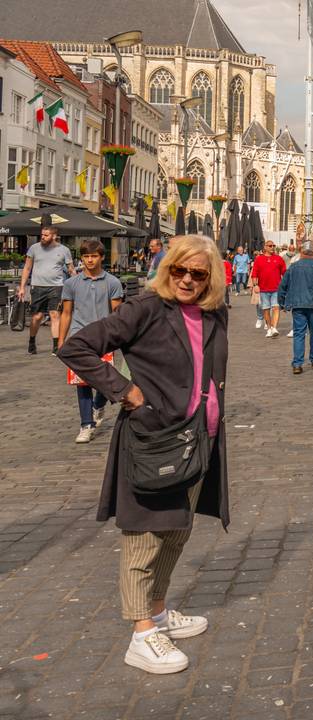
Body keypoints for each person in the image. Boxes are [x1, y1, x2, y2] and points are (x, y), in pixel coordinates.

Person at [58, 235, 229, 675]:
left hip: (198, 440)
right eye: (179, 270)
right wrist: (126, 391)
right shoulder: (146, 307)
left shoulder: (214, 313)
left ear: (211, 279)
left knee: (176, 531)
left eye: (198, 274)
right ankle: (140, 634)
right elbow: (76, 347)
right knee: (144, 537)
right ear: (167, 268)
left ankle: (157, 611)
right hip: (154, 438)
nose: (187, 280)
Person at [58, 239, 124, 443]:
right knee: (82, 383)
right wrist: (61, 342)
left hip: (104, 337)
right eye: (86, 256)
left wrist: (120, 337)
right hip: (78, 337)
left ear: (102, 258)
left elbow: (117, 313)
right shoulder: (71, 283)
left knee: (106, 380)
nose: (89, 260)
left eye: (94, 256)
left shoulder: (112, 282)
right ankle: (86, 424)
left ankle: (98, 405)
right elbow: (66, 313)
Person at [18, 218, 75, 355]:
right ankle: (32, 341)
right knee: (37, 317)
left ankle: (56, 347)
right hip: (37, 287)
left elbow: (71, 269)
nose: (42, 237)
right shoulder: (34, 248)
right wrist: (22, 287)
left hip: (56, 287)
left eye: (46, 235)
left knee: (55, 315)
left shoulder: (64, 250)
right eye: (42, 235)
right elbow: (27, 268)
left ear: (54, 236)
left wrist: (78, 283)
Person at [278, 243, 313, 374]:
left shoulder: (293, 267)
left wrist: (282, 302)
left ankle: (297, 363)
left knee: (299, 334)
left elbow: (283, 285)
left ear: (301, 252)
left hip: (298, 305)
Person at [250, 241, 288, 337]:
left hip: (276, 288)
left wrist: (288, 283)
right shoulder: (259, 259)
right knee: (266, 309)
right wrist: (255, 285)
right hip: (263, 289)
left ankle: (274, 328)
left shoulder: (278, 259)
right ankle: (269, 327)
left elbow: (284, 272)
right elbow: (254, 273)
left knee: (276, 307)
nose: (272, 247)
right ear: (265, 247)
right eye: (270, 246)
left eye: (274, 246)